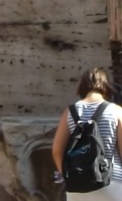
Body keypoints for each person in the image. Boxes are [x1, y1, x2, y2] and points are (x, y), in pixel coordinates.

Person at [52, 67, 122, 199]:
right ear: (107, 85)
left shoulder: (70, 112)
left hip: (77, 186)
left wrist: (69, 175)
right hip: (112, 182)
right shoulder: (116, 111)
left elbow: (57, 150)